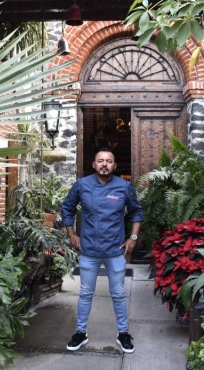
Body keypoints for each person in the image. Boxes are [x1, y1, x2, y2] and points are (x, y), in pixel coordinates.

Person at [61, 147, 143, 354]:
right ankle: (80, 332)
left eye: (108, 161)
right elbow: (67, 208)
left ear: (114, 166)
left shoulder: (124, 187)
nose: (104, 164)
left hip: (115, 250)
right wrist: (71, 234)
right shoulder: (82, 185)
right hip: (88, 249)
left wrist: (133, 237)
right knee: (86, 293)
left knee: (118, 294)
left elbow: (136, 212)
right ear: (94, 165)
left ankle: (123, 333)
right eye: (100, 160)